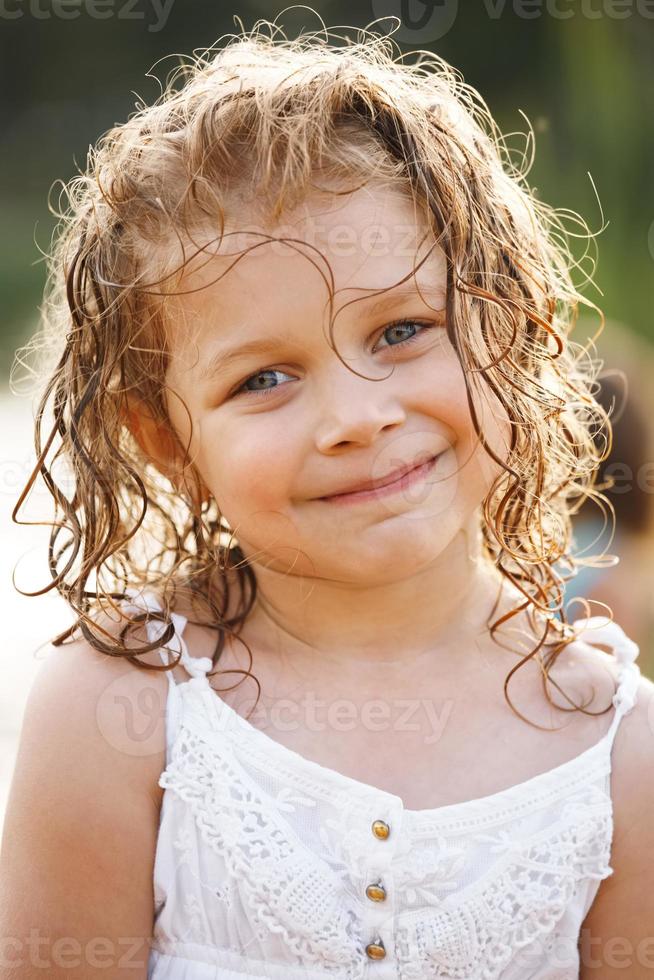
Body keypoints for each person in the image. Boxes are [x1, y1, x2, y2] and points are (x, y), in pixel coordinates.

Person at [1, 14, 653, 979]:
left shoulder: (619, 754)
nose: (356, 416)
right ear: (168, 441)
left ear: (515, 327)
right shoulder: (123, 710)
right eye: (263, 379)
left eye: (401, 331)